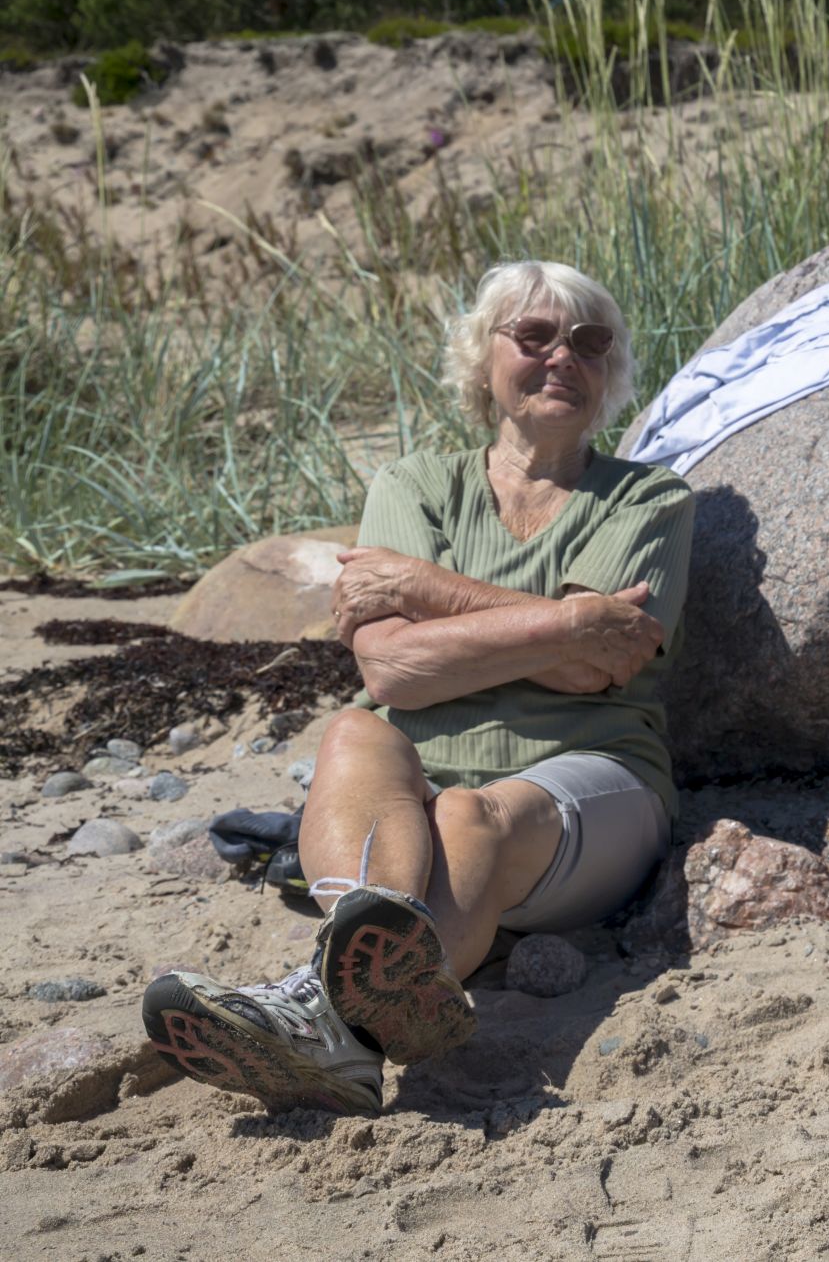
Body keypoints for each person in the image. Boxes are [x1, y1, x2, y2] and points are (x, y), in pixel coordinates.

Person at [142, 261, 694, 1115]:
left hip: (593, 770)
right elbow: (392, 668)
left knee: (466, 814)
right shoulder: (414, 486)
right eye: (534, 336)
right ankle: (352, 1026)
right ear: (483, 361)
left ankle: (319, 1018)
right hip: (416, 772)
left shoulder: (649, 500)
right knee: (354, 735)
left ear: (611, 371)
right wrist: (560, 623)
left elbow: (597, 667)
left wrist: (424, 586)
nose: (563, 358)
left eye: (589, 342)